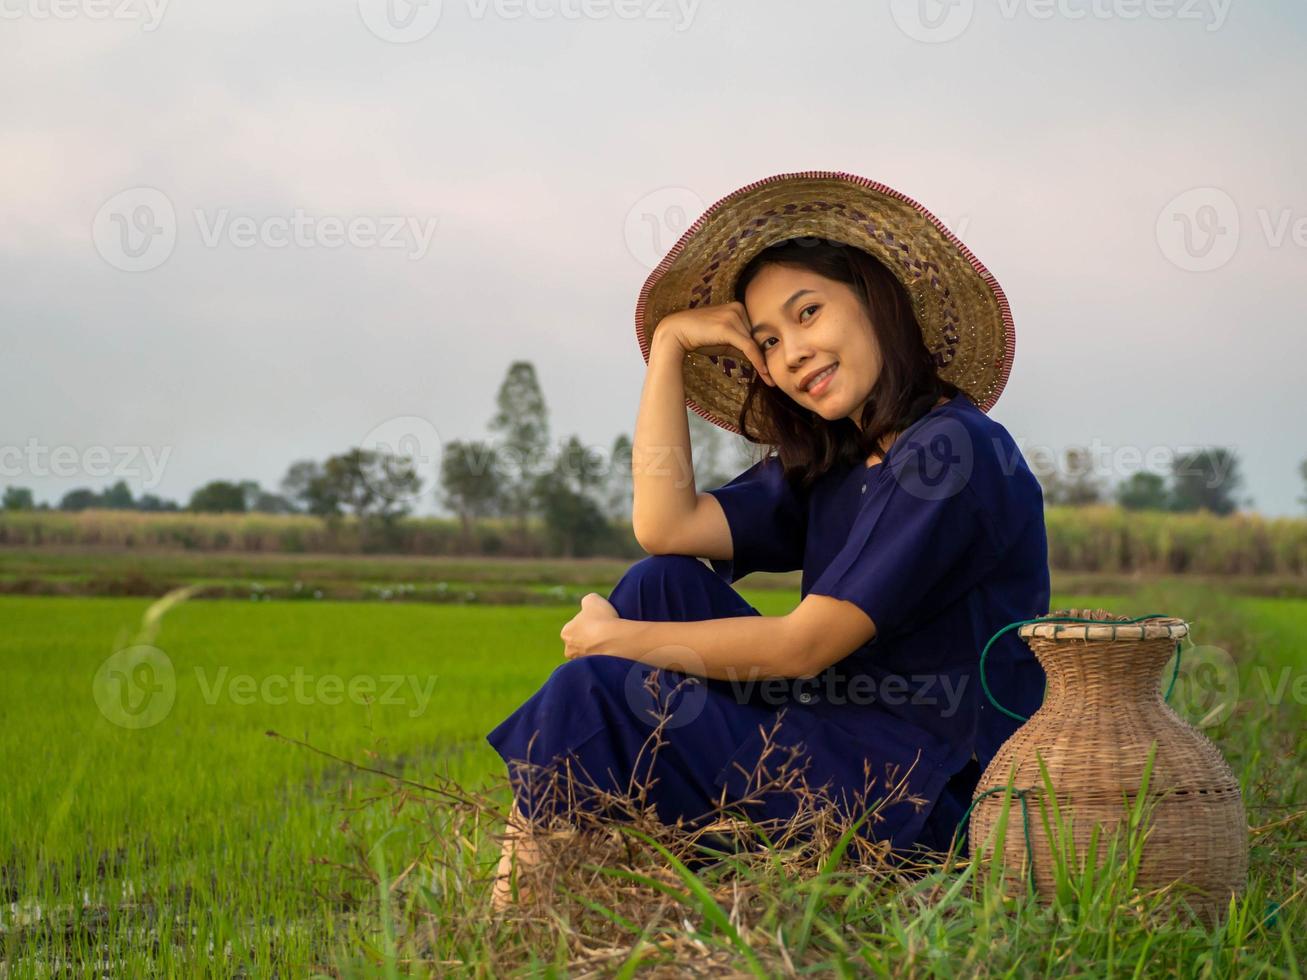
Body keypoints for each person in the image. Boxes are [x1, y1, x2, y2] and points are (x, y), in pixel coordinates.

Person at [485, 171, 1050, 910]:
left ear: (879, 303)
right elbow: (665, 526)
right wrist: (668, 348)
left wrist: (610, 643)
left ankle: (507, 920)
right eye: (768, 340)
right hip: (838, 740)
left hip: (927, 798)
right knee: (661, 581)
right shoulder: (843, 457)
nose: (790, 354)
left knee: (594, 685)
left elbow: (801, 647)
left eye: (808, 313)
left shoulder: (952, 453)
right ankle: (584, 875)